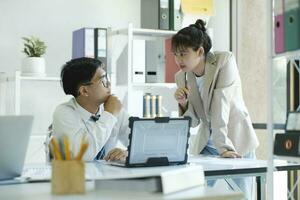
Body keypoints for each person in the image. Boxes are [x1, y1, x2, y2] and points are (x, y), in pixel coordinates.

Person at [172, 19, 259, 200]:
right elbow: (194, 120)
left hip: (234, 140)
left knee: (243, 196)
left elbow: (221, 105)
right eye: (175, 54)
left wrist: (225, 148)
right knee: (196, 194)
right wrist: (183, 103)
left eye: (183, 54)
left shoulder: (223, 61)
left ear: (200, 51)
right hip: (208, 144)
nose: (178, 60)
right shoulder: (182, 76)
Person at [52, 57, 129, 161]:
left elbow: (141, 144)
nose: (109, 84)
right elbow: (83, 156)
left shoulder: (113, 109)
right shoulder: (63, 113)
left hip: (108, 175)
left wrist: (126, 153)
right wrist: (109, 115)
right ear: (84, 91)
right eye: (103, 80)